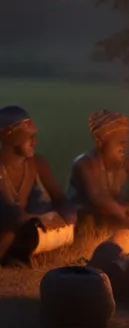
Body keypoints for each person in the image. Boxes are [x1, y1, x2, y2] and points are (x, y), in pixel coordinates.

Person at [0, 106, 76, 267]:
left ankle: (16, 255)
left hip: (25, 228)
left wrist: (66, 213)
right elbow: (10, 213)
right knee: (16, 219)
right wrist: (33, 218)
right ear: (7, 133)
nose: (35, 142)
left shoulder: (38, 163)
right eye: (30, 137)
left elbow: (59, 197)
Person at [67, 109, 129, 230]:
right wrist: (121, 211)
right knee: (98, 214)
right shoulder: (85, 164)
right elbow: (98, 196)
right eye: (120, 143)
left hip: (115, 212)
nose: (124, 148)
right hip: (87, 215)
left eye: (126, 143)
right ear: (100, 142)